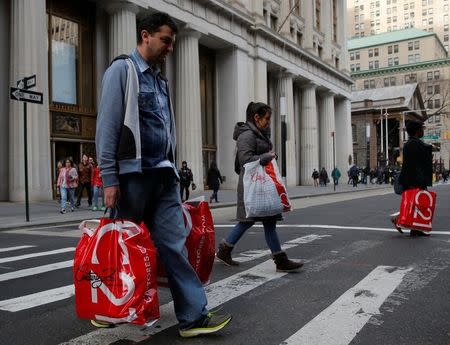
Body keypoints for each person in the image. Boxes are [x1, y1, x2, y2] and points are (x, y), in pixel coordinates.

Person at [95, 11, 231, 337]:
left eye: (172, 42)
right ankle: (106, 306)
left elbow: (165, 129)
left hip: (163, 177)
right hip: (132, 177)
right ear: (146, 35)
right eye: (166, 40)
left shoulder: (160, 80)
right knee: (119, 249)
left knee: (175, 246)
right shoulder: (122, 71)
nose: (170, 47)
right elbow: (107, 129)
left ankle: (193, 318)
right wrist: (110, 179)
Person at [216, 101, 303, 273]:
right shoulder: (246, 135)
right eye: (267, 119)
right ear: (256, 117)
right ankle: (226, 251)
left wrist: (268, 155)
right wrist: (265, 156)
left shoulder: (259, 133)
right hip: (251, 185)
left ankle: (278, 260)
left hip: (261, 183)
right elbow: (245, 160)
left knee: (266, 221)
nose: (268, 122)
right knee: (247, 220)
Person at [392, 120, 433, 237]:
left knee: (417, 204)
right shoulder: (413, 144)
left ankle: (416, 229)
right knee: (418, 204)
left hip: (415, 180)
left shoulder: (411, 143)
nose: (423, 131)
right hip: (415, 180)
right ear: (417, 131)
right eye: (421, 129)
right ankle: (398, 220)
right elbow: (413, 165)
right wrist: (414, 183)